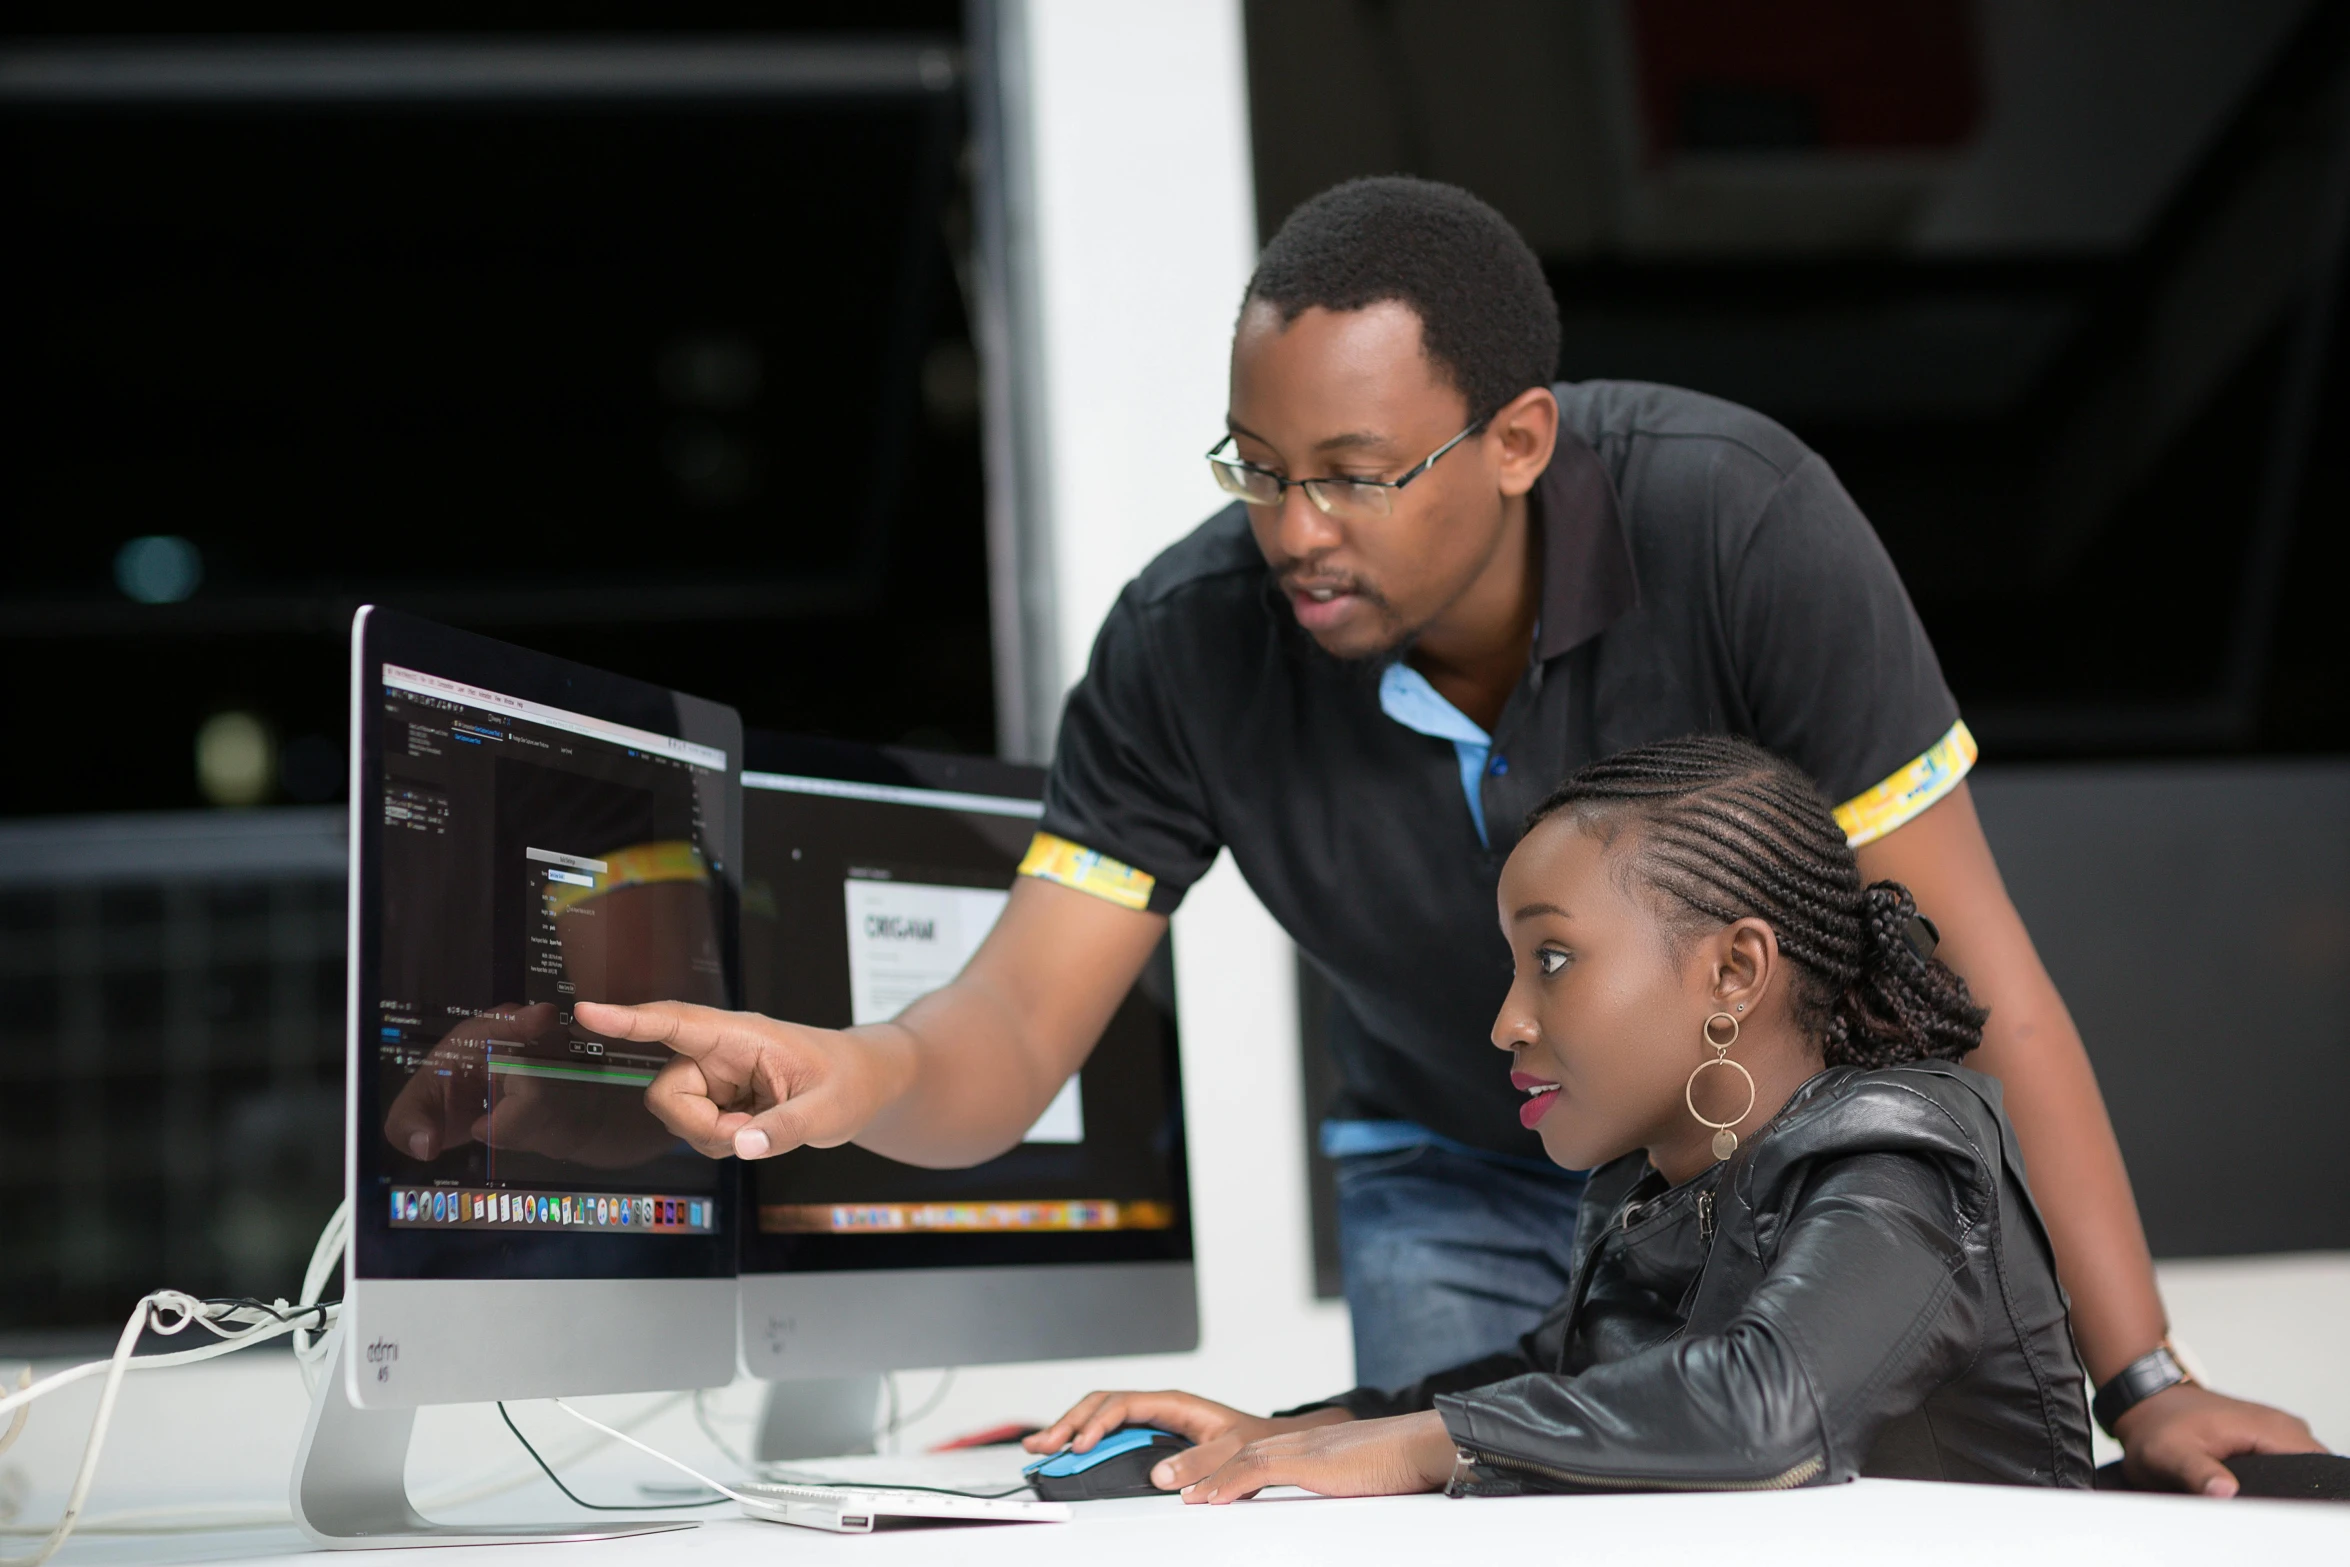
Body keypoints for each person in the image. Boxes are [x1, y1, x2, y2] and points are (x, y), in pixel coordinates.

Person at [578, 176, 2319, 1492]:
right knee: (1473, 1499)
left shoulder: (1738, 524)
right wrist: (849, 1076)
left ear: (1518, 441)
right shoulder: (1185, 647)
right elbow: (1017, 1028)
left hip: (1743, 1162)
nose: (1293, 530)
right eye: (1255, 467)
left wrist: (2143, 1377)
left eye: (1353, 471)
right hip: (1440, 1150)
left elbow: (1976, 982)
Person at [1023, 736, 2097, 1499]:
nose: (1504, 1022)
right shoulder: (1662, 1193)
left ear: (1734, 969)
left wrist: (1415, 1446)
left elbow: (1771, 1403)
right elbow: (1563, 1379)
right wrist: (1300, 1429)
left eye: (1551, 959)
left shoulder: (1902, 1152)